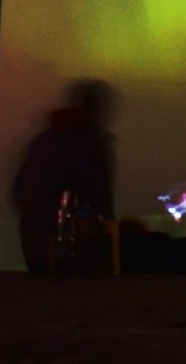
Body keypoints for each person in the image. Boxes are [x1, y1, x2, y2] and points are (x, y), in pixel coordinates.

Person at [10, 79, 117, 275]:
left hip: (33, 251)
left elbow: (19, 190)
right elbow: (101, 198)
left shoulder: (44, 140)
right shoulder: (89, 142)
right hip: (67, 255)